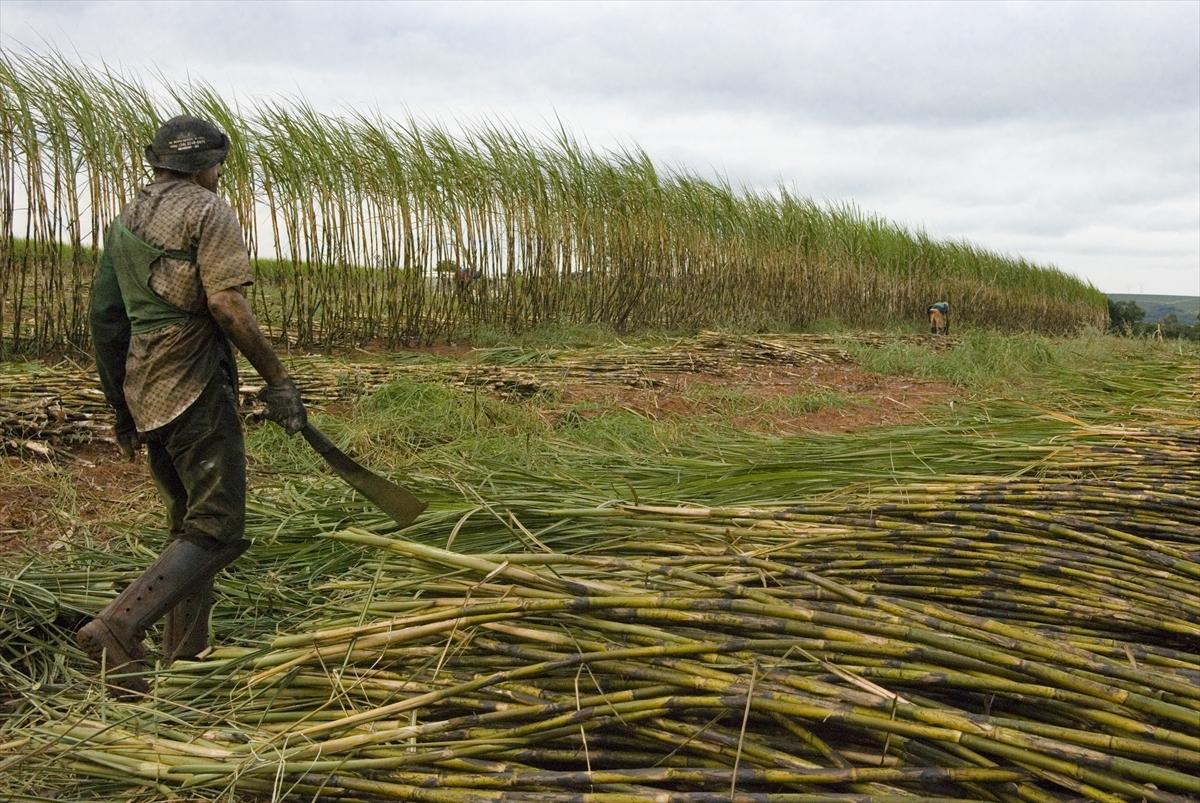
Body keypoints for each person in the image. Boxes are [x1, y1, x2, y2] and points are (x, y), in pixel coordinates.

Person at [80, 115, 307, 698]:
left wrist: (121, 410)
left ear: (156, 160)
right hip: (193, 385)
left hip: (145, 389)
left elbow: (106, 319)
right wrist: (278, 379)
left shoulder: (126, 218)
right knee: (219, 528)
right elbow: (227, 306)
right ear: (211, 164)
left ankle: (187, 654)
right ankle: (118, 627)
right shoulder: (209, 210)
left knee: (188, 525)